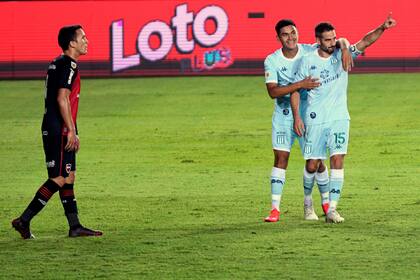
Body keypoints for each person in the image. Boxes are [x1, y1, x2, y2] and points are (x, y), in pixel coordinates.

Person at [291, 14, 397, 223]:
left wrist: (382, 27)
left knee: (338, 159)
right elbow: (295, 90)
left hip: (339, 117)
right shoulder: (307, 61)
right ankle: (307, 202)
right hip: (315, 118)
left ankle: (332, 209)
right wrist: (297, 117)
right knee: (313, 164)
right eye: (327, 40)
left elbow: (365, 41)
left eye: (334, 38)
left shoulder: (342, 53)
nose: (332, 43)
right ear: (318, 41)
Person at [12, 25, 103, 238]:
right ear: (72, 43)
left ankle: (75, 226)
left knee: (69, 176)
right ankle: (23, 220)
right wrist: (71, 130)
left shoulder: (56, 63)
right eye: (83, 37)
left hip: (60, 125)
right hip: (59, 127)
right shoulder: (69, 65)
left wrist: (73, 128)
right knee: (59, 177)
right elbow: (62, 98)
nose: (86, 41)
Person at [264, 19, 353, 222]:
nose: (290, 37)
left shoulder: (308, 50)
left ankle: (325, 203)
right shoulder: (272, 60)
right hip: (284, 116)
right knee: (280, 158)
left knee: (316, 161)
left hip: (310, 115)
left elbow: (334, 42)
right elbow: (273, 91)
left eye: (293, 33)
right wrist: (300, 84)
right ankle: (275, 209)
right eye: (285, 34)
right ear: (278, 38)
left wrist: (346, 46)